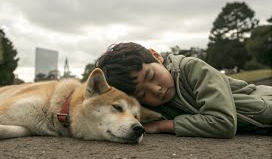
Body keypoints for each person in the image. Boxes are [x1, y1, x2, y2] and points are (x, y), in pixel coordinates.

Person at [95, 42, 272, 138]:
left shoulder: (193, 69)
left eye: (151, 76)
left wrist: (160, 126)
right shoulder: (152, 106)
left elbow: (223, 122)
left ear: (157, 56)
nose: (156, 90)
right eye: (142, 94)